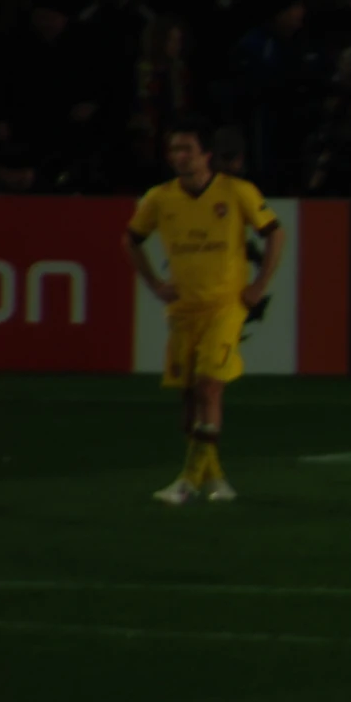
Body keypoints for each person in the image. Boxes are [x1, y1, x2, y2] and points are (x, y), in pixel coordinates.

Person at [122, 118, 286, 504]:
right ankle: (214, 477)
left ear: (206, 155)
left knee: (210, 384)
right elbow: (130, 240)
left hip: (224, 307)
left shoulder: (236, 192)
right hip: (183, 311)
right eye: (174, 150)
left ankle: (187, 480)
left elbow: (274, 232)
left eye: (187, 150)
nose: (180, 157)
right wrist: (155, 284)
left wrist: (259, 284)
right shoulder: (160, 199)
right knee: (189, 402)